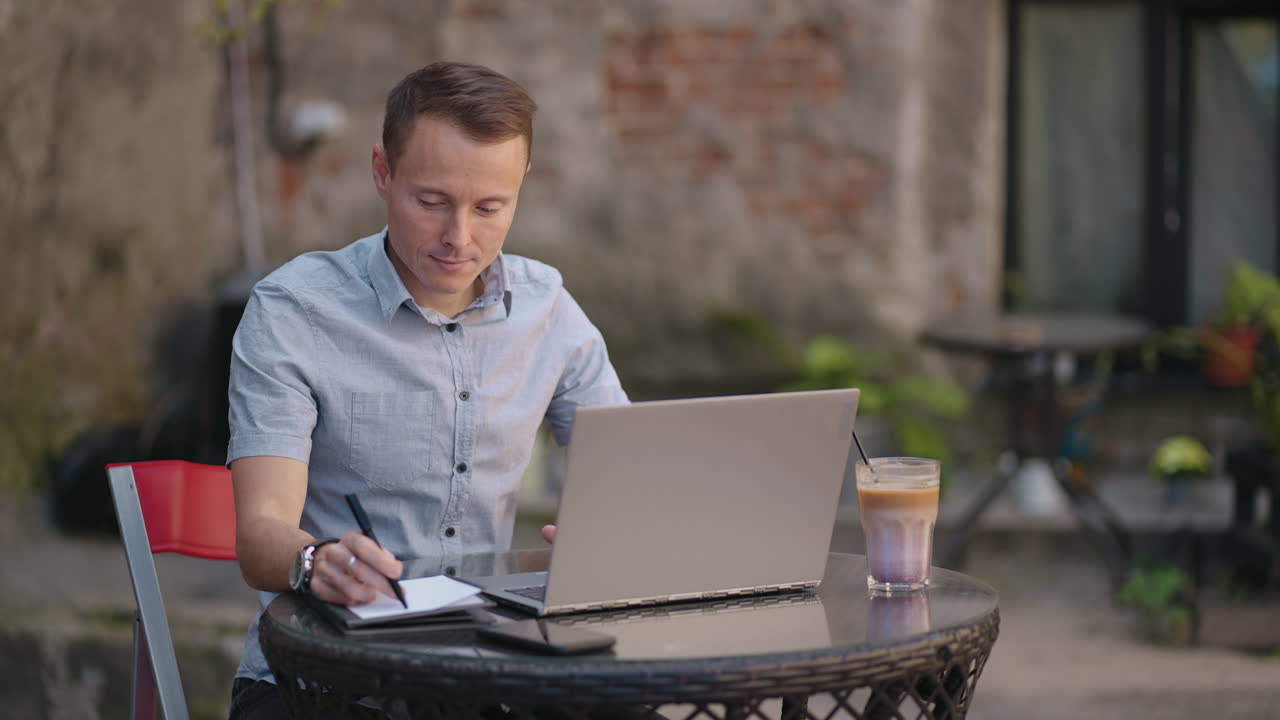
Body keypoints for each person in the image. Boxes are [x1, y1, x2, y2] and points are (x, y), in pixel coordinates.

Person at [225, 61, 628, 720]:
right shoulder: (294, 311)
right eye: (431, 201)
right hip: (319, 677)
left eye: (490, 207)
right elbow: (260, 533)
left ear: (521, 186)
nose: (459, 238)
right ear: (382, 173)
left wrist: (608, 532)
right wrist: (314, 560)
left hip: (485, 675)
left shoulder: (548, 308)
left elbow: (629, 479)